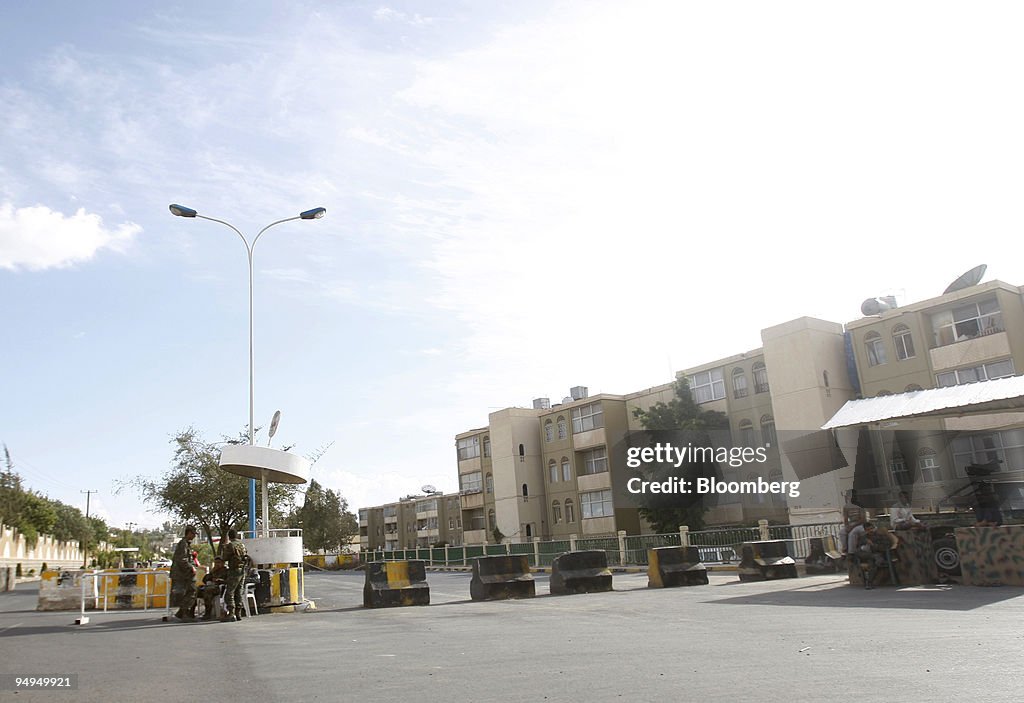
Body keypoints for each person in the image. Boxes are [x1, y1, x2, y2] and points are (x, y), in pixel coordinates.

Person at [219, 529, 251, 622]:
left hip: (234, 570)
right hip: (242, 570)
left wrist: (224, 549)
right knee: (239, 592)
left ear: (229, 536)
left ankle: (231, 613)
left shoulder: (230, 545)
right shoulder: (242, 545)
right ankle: (238, 613)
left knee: (230, 592)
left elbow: (224, 558)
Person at [170, 526, 198, 622]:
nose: (194, 536)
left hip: (184, 573)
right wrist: (191, 567)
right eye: (193, 534)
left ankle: (182, 612)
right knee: (191, 591)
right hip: (182, 574)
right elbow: (182, 559)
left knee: (189, 591)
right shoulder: (183, 544)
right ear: (189, 533)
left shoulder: (186, 544)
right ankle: (184, 613)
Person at [198, 556, 229, 621]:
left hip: (220, 588)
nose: (217, 564)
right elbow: (204, 580)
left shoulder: (226, 571)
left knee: (208, 591)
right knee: (196, 590)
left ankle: (208, 613)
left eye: (219, 562)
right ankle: (190, 612)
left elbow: (228, 581)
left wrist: (220, 580)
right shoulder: (214, 570)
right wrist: (210, 576)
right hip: (211, 586)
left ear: (223, 563)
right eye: (216, 562)